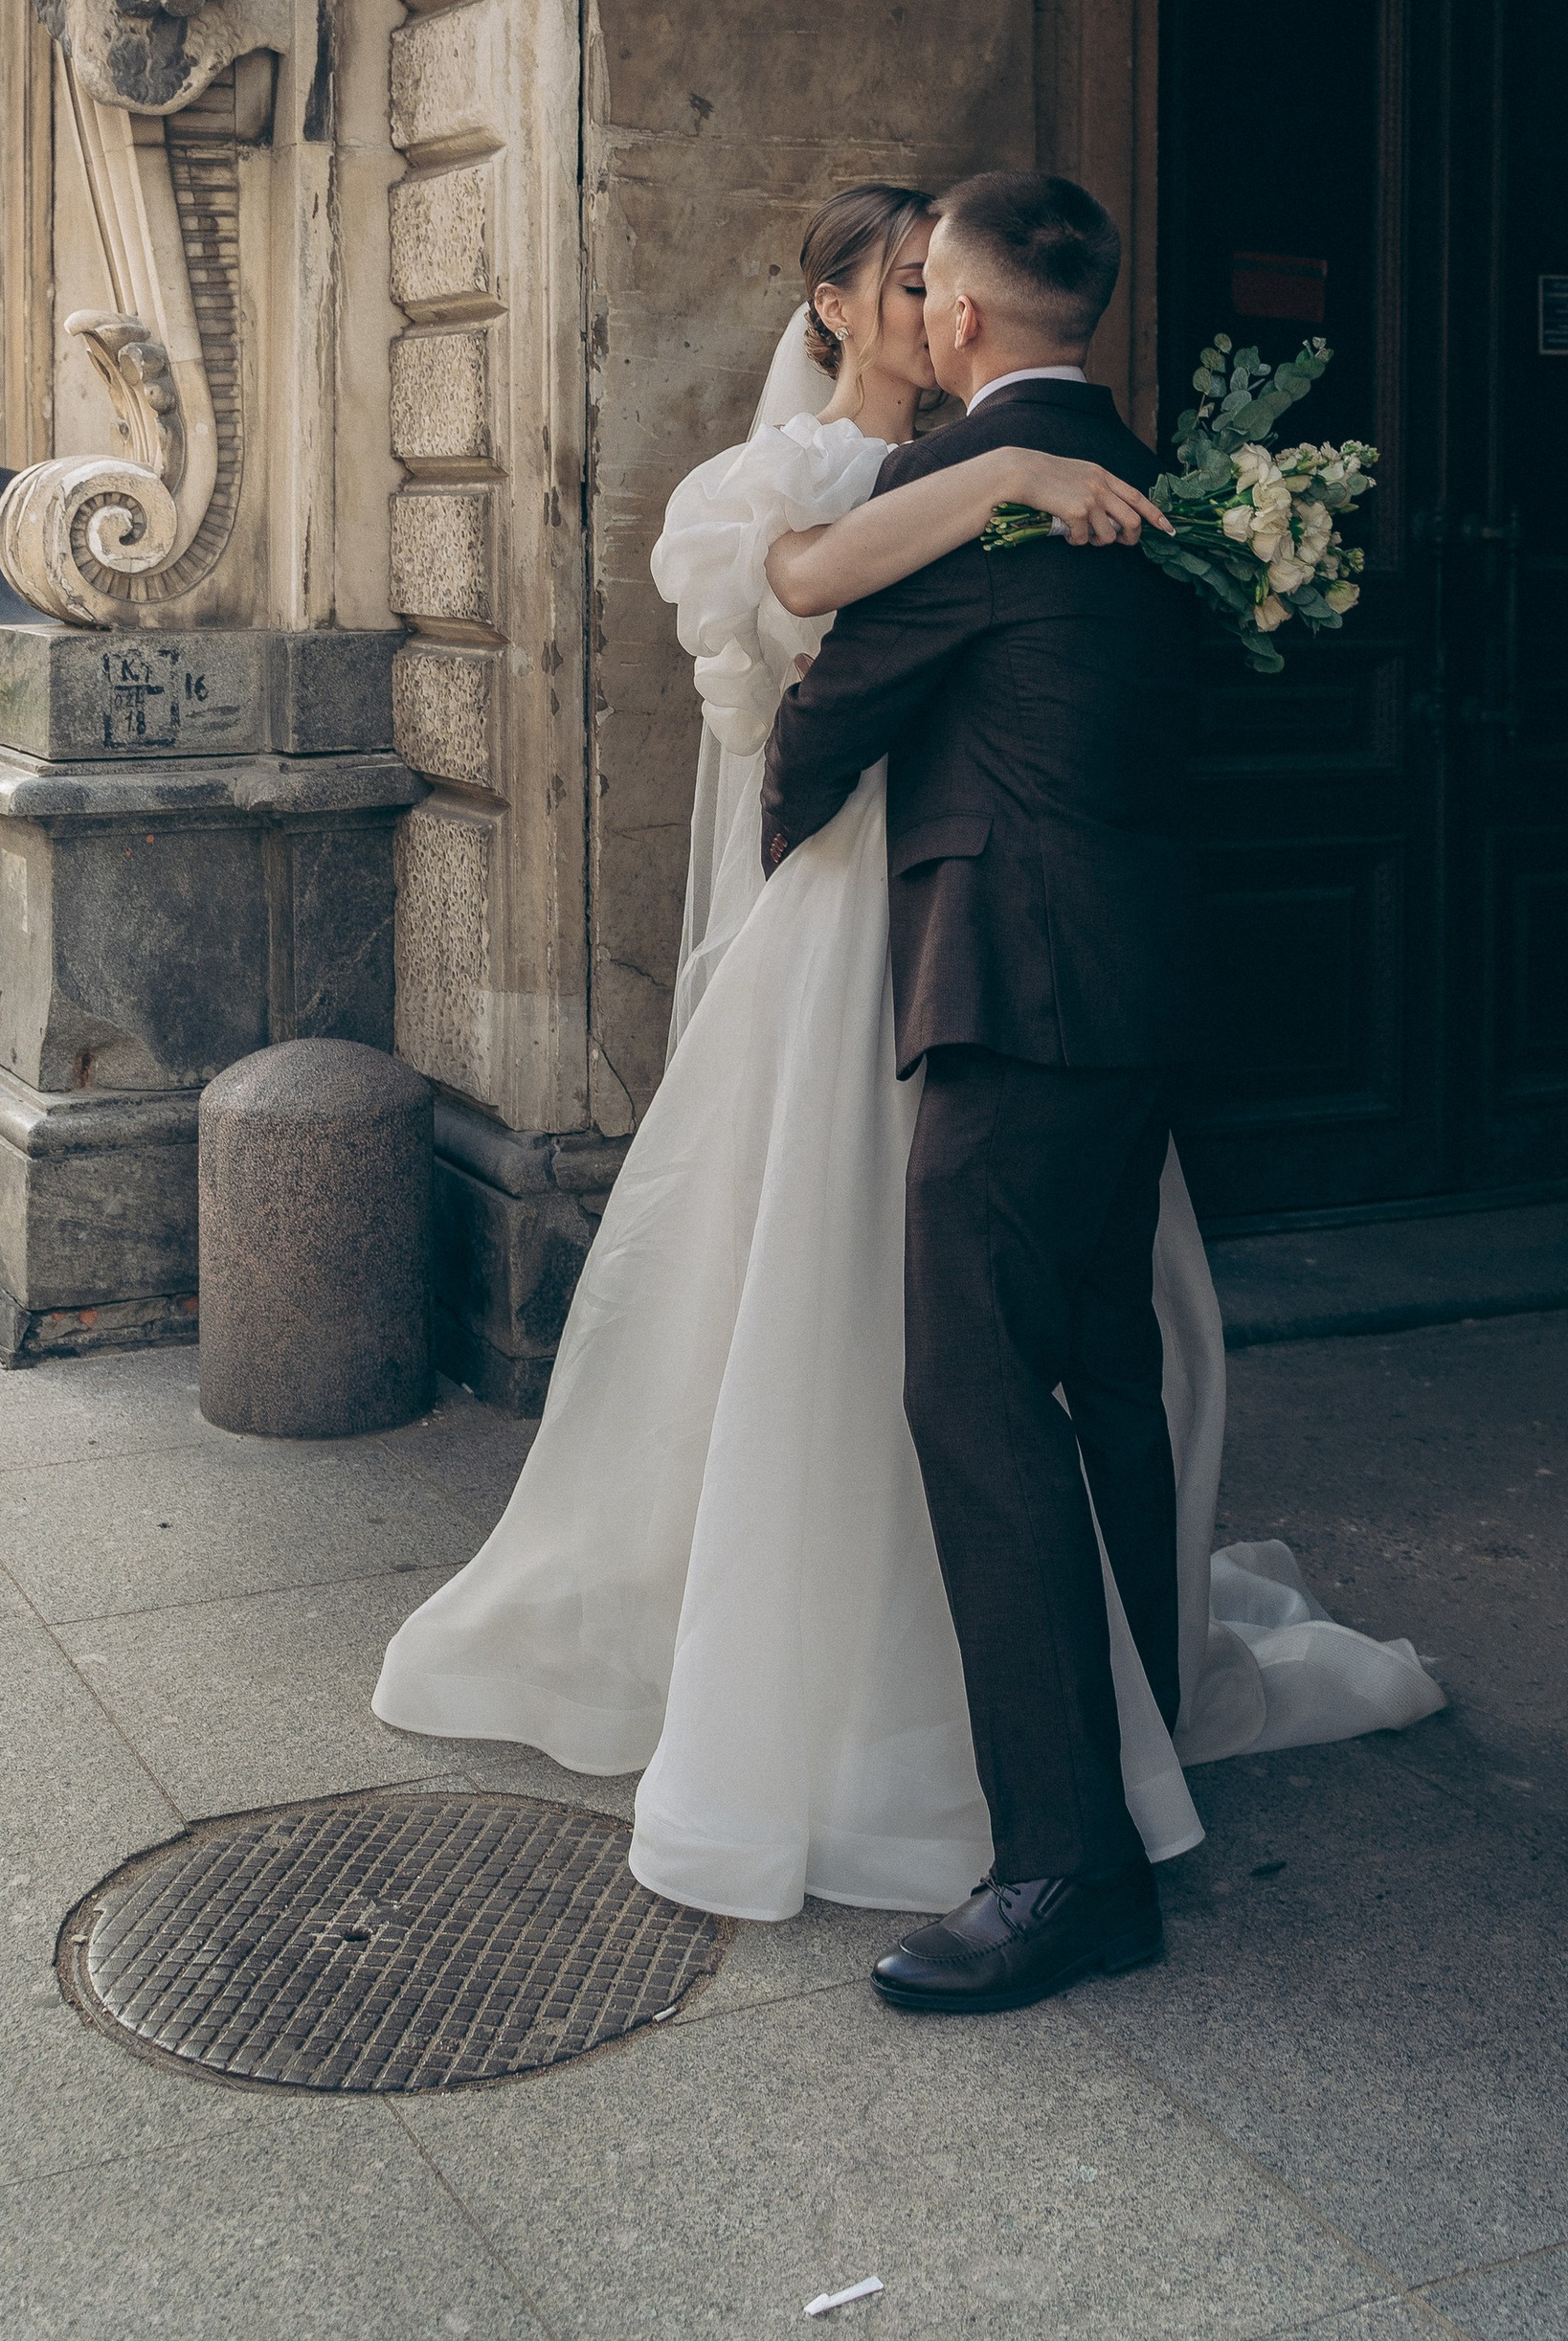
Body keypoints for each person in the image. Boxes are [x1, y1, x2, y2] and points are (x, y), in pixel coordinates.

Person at [374, 176, 1441, 1959]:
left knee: (964, 1388)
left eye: (925, 275)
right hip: (1125, 994)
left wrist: (837, 839)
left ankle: (1066, 1864)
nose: (911, 300)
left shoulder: (999, 523)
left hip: (991, 987)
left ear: (954, 315)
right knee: (1111, 1357)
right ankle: (1142, 1701)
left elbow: (817, 722)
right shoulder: (1153, 491)